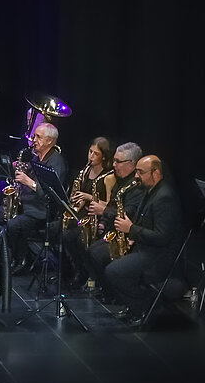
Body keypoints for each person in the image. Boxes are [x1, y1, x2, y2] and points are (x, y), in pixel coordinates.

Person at [105, 155, 184, 328]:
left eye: (141, 172)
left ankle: (144, 308)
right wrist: (132, 236)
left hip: (159, 257)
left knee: (114, 272)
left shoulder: (165, 197)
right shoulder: (150, 190)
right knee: (107, 260)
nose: (136, 176)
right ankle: (133, 306)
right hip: (146, 249)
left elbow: (162, 237)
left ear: (156, 173)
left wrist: (131, 229)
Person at [0, 122, 68, 274]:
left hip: (40, 211)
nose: (34, 140)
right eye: (34, 136)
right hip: (24, 205)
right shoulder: (36, 158)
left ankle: (21, 260)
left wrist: (28, 181)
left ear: (49, 141)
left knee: (13, 225)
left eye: (38, 137)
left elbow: (51, 193)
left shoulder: (57, 162)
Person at [83, 142, 144, 298]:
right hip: (112, 230)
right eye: (114, 160)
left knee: (96, 253)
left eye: (118, 161)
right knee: (84, 245)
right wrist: (102, 223)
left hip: (126, 236)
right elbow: (112, 204)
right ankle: (103, 287)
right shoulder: (121, 181)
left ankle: (113, 293)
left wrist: (103, 211)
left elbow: (128, 213)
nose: (114, 165)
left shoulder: (137, 186)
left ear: (132, 164)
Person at [60, 137, 115, 289]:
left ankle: (85, 272)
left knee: (75, 237)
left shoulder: (109, 176)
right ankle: (71, 269)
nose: (91, 156)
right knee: (58, 230)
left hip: (98, 217)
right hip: (83, 213)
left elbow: (109, 205)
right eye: (90, 152)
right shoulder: (85, 171)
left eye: (96, 154)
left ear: (104, 156)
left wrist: (88, 197)